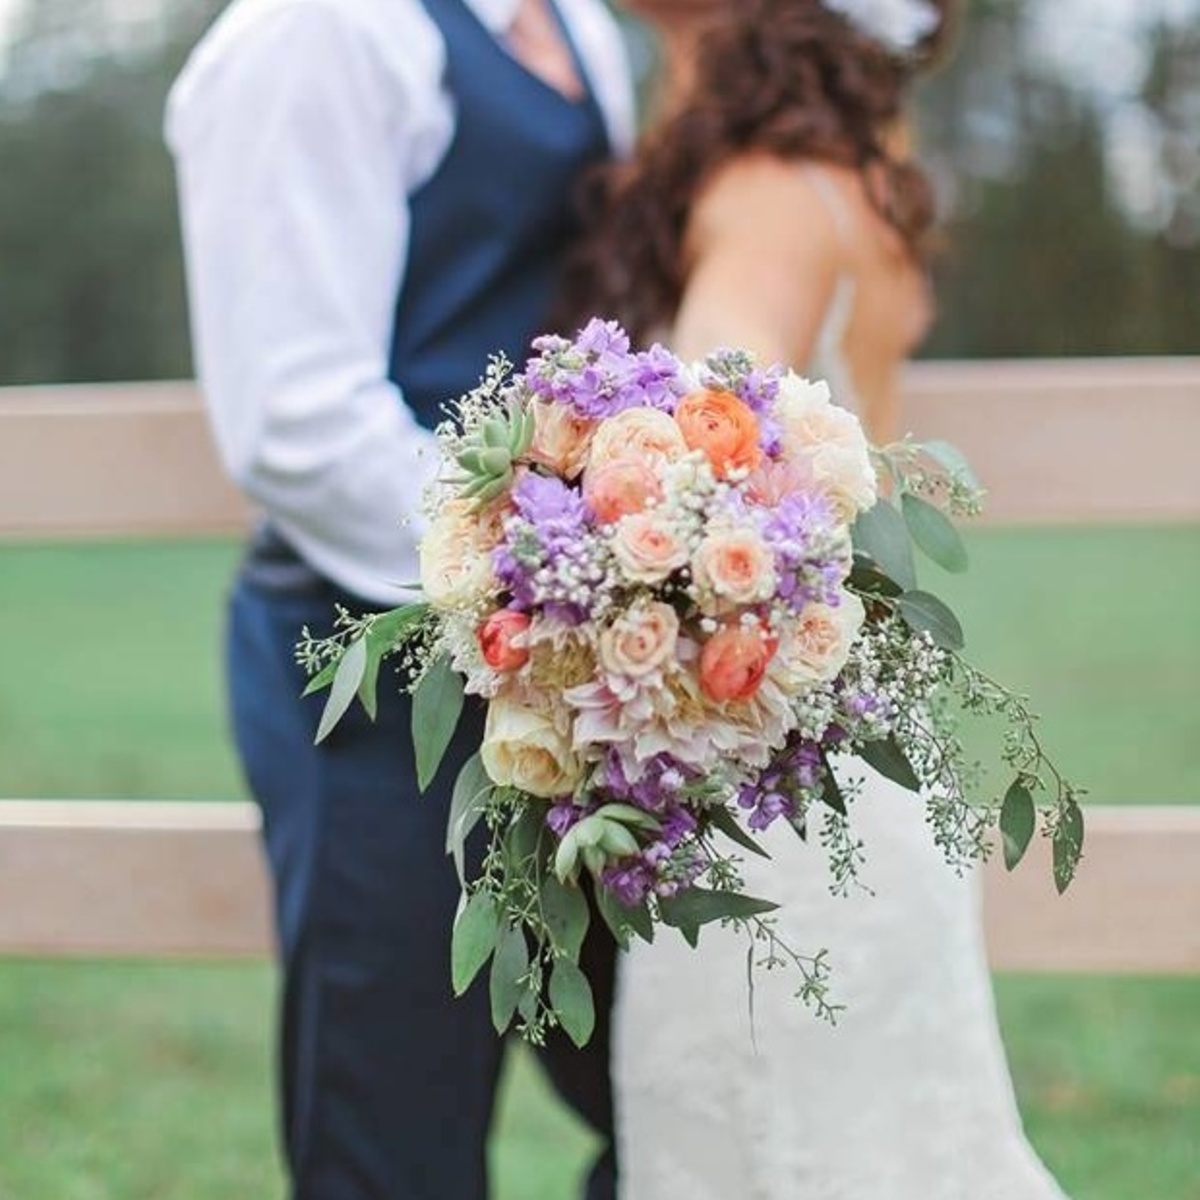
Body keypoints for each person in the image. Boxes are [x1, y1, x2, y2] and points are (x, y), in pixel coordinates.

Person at [562, 0, 1072, 1195]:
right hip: (860, 743)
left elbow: (714, 438)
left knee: (782, 1149)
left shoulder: (766, 192)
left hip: (774, 773)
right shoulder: (852, 175)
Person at [165, 1, 634, 1196]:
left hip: (594, 672)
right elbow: (295, 417)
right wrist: (553, 580)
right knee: (395, 1130)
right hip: (378, 680)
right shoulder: (311, 34)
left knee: (669, 1097)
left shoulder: (581, 20)